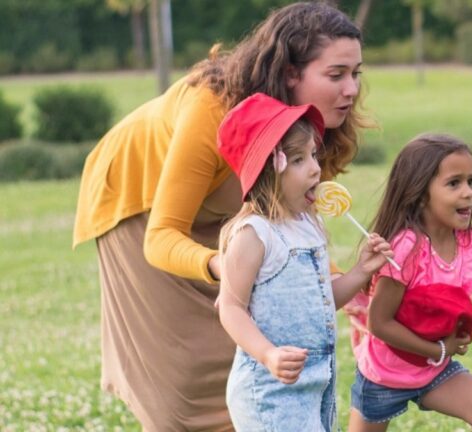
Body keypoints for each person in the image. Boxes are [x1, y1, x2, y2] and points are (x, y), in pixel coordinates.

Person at [72, 3, 369, 429]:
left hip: (226, 209)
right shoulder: (212, 109)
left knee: (252, 345)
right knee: (189, 372)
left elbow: (293, 228)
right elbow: (162, 237)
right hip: (140, 206)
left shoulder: (310, 131)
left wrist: (351, 287)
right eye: (336, 75)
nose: (351, 90)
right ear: (289, 73)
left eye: (356, 74)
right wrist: (222, 264)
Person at [215, 93, 392, 431]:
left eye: (313, 154)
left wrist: (361, 270)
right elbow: (230, 307)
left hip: (316, 385)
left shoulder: (310, 225)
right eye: (298, 160)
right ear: (270, 170)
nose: (314, 167)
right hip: (269, 390)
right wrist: (267, 354)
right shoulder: (254, 234)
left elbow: (321, 301)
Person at [347, 134, 472, 432]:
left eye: (471, 181)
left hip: (433, 371)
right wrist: (436, 349)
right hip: (383, 375)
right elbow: (380, 323)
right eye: (454, 183)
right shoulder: (406, 248)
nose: (468, 193)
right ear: (421, 193)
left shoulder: (471, 243)